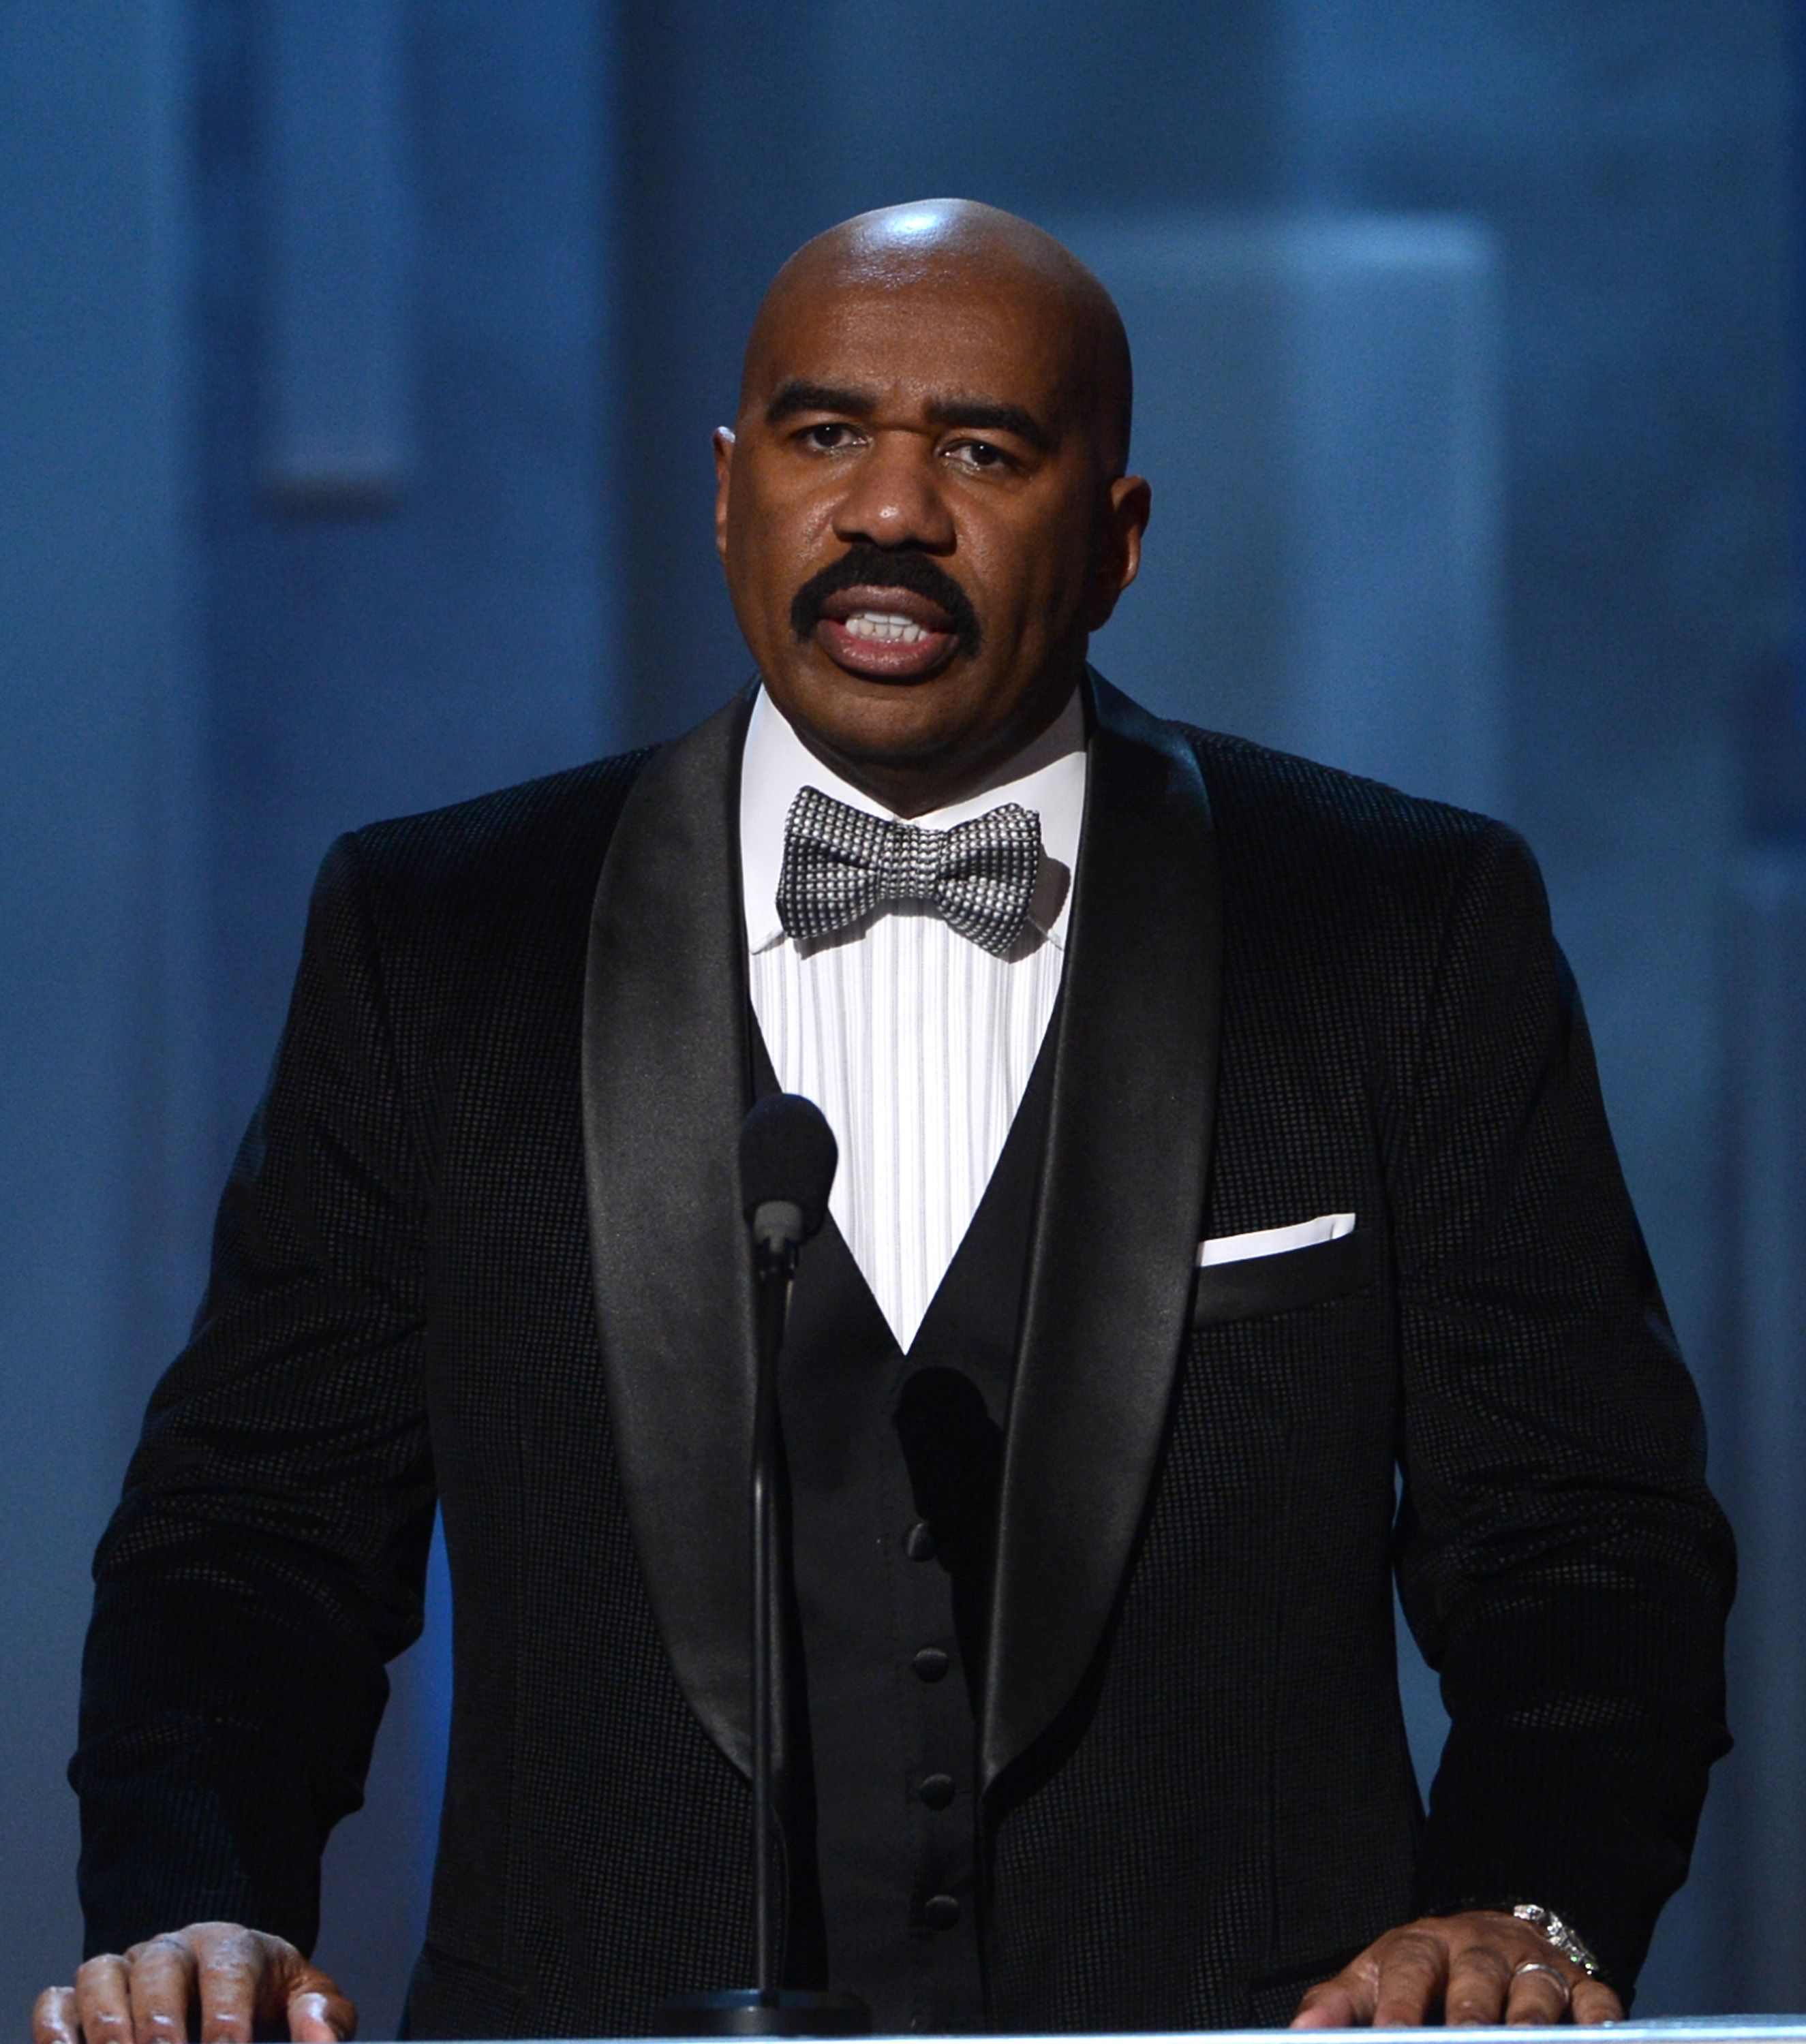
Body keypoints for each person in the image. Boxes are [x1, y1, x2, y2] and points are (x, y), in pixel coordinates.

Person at [35, 200, 1732, 2042]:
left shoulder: (1398, 924)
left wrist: (1518, 1901)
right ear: (724, 487)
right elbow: (254, 1533)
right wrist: (194, 1903)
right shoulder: (438, 935)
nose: (889, 513)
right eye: (823, 433)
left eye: (981, 452)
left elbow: (1580, 1533)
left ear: (1116, 538)